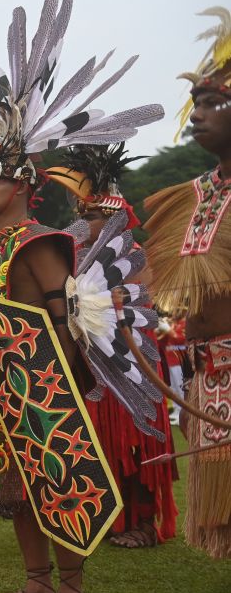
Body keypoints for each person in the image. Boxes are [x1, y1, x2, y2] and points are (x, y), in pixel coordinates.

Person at [0, 0, 163, 593]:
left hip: (42, 386)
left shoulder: (41, 244)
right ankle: (37, 580)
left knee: (56, 479)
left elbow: (59, 320)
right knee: (11, 488)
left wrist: (64, 383)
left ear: (25, 185)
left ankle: (73, 588)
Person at [48, 144, 178, 548]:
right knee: (99, 445)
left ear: (111, 217)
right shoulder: (73, 258)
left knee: (132, 442)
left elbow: (144, 306)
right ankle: (110, 517)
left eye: (90, 214)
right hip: (90, 365)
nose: (82, 221)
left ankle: (141, 522)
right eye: (80, 215)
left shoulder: (135, 253)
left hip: (130, 363)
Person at [144, 8, 231, 558]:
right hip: (203, 367)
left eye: (213, 104)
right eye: (194, 105)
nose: (196, 115)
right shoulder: (191, 195)